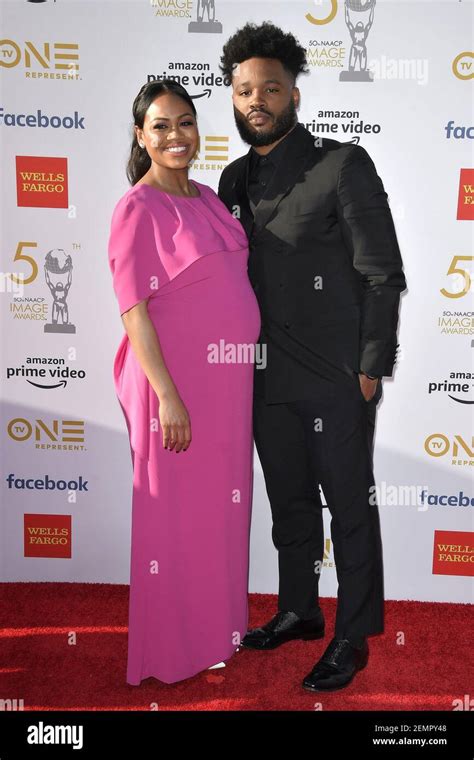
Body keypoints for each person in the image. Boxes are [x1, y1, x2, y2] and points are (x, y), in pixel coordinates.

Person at [218, 22, 407, 692]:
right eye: (244, 90)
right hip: (263, 377)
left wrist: (369, 369)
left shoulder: (342, 164)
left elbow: (383, 273)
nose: (256, 99)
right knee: (289, 503)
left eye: (270, 86)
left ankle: (353, 636)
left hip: (334, 379)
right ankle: (298, 609)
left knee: (349, 509)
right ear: (234, 99)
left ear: (294, 93)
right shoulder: (232, 179)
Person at [107, 79, 261, 685]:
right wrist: (168, 394)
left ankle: (215, 634)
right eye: (162, 126)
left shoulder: (209, 197)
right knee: (173, 518)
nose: (177, 136)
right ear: (142, 137)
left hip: (227, 388)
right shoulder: (135, 208)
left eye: (186, 123)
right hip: (174, 389)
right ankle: (169, 651)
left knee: (220, 515)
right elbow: (133, 311)